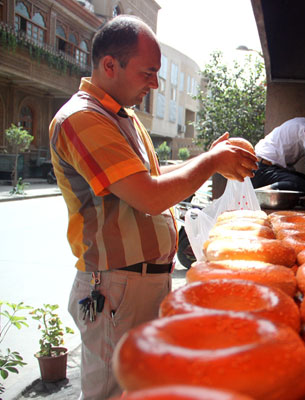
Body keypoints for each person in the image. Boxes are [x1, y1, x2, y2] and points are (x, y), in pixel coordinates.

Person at [48, 15, 256, 400]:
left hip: (141, 282)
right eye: (148, 72)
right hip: (117, 286)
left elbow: (155, 177)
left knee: (144, 387)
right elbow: (150, 195)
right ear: (109, 65)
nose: (155, 83)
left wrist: (207, 156)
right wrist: (209, 163)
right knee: (115, 391)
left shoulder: (122, 116)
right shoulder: (82, 119)